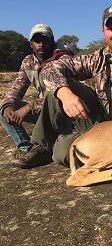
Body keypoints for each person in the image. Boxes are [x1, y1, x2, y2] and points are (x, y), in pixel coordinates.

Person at [13, 4, 112, 169]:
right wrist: (65, 95)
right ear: (104, 32)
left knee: (61, 152)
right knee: (57, 91)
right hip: (102, 126)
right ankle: (41, 146)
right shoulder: (97, 58)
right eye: (111, 29)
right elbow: (49, 69)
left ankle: (71, 144)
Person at [0, 24, 70, 164]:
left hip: (63, 111)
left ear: (52, 41)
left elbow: (59, 95)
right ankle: (28, 148)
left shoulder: (63, 59)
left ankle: (43, 148)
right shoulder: (28, 61)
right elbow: (17, 88)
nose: (41, 44)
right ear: (31, 43)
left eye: (45, 40)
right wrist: (8, 104)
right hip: (42, 110)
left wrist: (29, 106)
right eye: (37, 40)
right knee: (3, 109)